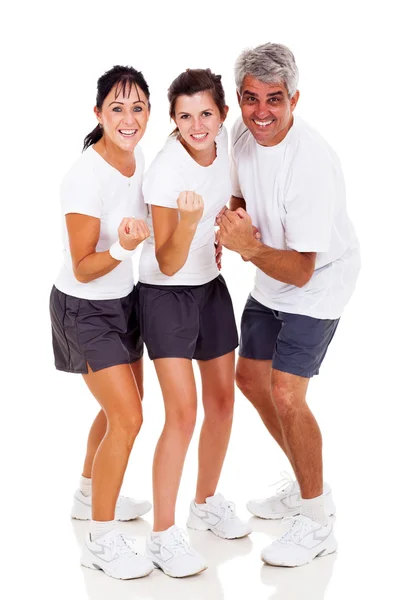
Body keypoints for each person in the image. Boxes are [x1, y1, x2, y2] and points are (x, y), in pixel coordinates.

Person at [217, 43, 360, 567]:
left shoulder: (311, 163)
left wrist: (246, 247)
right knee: (251, 380)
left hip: (318, 279)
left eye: (274, 99)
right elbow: (237, 199)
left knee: (286, 393)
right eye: (251, 98)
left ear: (295, 99)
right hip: (271, 272)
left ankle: (318, 522)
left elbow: (301, 269)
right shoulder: (242, 134)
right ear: (239, 98)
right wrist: (225, 229)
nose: (261, 112)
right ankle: (307, 486)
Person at [137, 68, 251, 578]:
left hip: (210, 288)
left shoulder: (227, 141)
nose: (197, 125)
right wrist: (188, 224)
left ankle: (204, 502)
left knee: (223, 403)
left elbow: (233, 191)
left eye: (205, 113)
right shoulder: (165, 171)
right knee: (182, 413)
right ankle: (163, 535)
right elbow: (165, 261)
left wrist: (229, 224)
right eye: (185, 116)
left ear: (222, 114)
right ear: (174, 120)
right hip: (164, 294)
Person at [49, 65, 154, 579]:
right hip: (83, 305)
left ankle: (89, 492)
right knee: (129, 419)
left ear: (149, 114)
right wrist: (123, 246)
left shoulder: (139, 164)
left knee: (125, 409)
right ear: (99, 114)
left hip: (123, 301)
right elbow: (84, 264)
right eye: (117, 107)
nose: (128, 118)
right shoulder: (83, 176)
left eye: (137, 107)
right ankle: (101, 537)